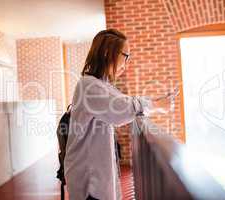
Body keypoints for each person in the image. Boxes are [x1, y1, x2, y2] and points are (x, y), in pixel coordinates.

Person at [64, 29, 170, 200]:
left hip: (95, 177)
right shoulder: (89, 86)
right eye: (126, 56)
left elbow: (126, 102)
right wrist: (156, 105)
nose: (126, 63)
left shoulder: (101, 85)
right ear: (107, 53)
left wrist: (152, 102)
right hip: (89, 182)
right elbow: (122, 110)